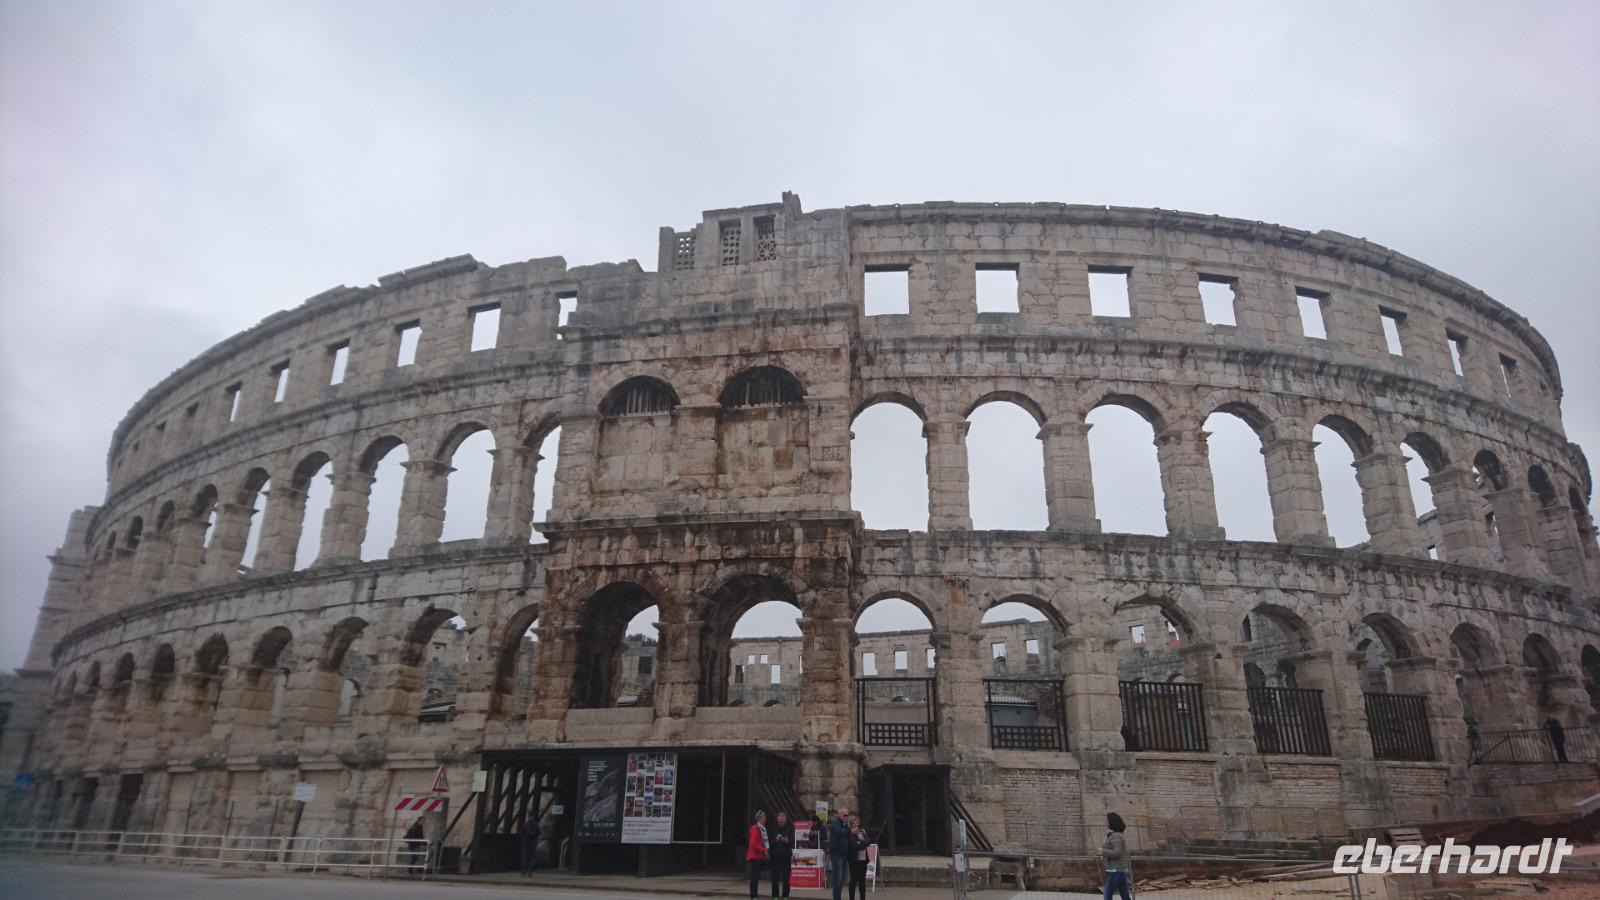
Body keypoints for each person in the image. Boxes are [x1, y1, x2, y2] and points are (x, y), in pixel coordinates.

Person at [1094, 812, 1131, 900]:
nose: (1105, 822)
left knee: (1107, 894)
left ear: (1111, 822)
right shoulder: (1114, 835)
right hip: (1119, 869)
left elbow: (1117, 853)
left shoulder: (1116, 836)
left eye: (1106, 820)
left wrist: (1102, 851)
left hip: (1116, 870)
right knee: (1125, 896)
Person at [827, 807, 852, 900]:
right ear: (839, 815)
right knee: (838, 878)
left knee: (842, 879)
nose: (846, 817)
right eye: (844, 815)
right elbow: (839, 832)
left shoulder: (846, 825)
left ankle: (838, 897)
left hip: (844, 855)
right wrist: (850, 831)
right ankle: (836, 898)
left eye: (847, 815)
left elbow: (847, 837)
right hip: (836, 854)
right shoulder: (835, 824)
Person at [769, 810, 794, 899]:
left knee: (786, 878)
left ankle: (785, 896)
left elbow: (792, 842)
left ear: (786, 820)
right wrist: (776, 839)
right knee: (775, 877)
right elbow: (769, 843)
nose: (781, 822)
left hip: (786, 856)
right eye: (780, 820)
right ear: (777, 820)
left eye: (783, 820)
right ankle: (775, 896)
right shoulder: (772, 828)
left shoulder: (790, 828)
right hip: (775, 856)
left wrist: (786, 840)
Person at [847, 815, 871, 900]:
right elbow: (854, 845)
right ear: (851, 824)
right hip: (854, 860)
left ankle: (863, 898)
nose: (855, 825)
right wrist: (862, 843)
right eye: (853, 823)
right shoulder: (850, 833)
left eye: (857, 823)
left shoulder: (862, 832)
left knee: (862, 881)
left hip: (863, 860)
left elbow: (868, 841)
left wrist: (861, 842)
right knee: (853, 881)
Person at [747, 810, 769, 900]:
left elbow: (764, 841)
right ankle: (753, 895)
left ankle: (755, 894)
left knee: (756, 876)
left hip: (760, 855)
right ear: (759, 819)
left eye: (765, 818)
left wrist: (766, 850)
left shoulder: (763, 829)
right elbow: (753, 843)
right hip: (755, 855)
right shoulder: (755, 829)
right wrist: (763, 850)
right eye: (763, 818)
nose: (765, 820)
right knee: (754, 876)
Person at [518, 807, 542, 877]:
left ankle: (523, 872)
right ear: (533, 817)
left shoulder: (524, 825)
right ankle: (529, 872)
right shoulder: (536, 825)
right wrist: (533, 834)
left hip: (525, 844)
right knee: (532, 858)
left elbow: (521, 834)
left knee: (524, 858)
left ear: (528, 817)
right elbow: (538, 833)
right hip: (532, 844)